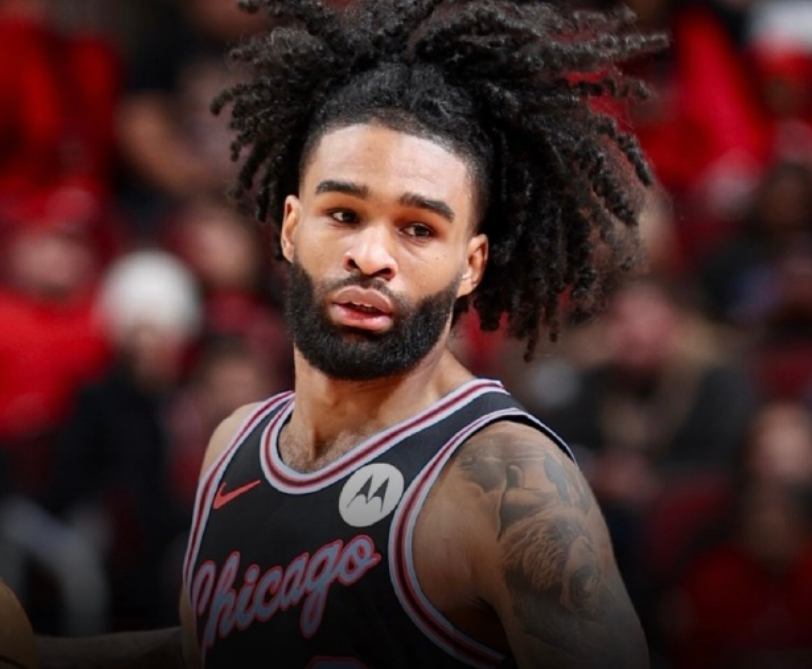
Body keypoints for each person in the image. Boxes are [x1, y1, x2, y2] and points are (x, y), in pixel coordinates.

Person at [36, 1, 664, 667]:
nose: (370, 255)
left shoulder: (511, 483)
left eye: (418, 228)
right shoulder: (235, 445)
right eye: (343, 213)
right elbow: (216, 651)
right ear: (290, 227)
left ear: (471, 265)